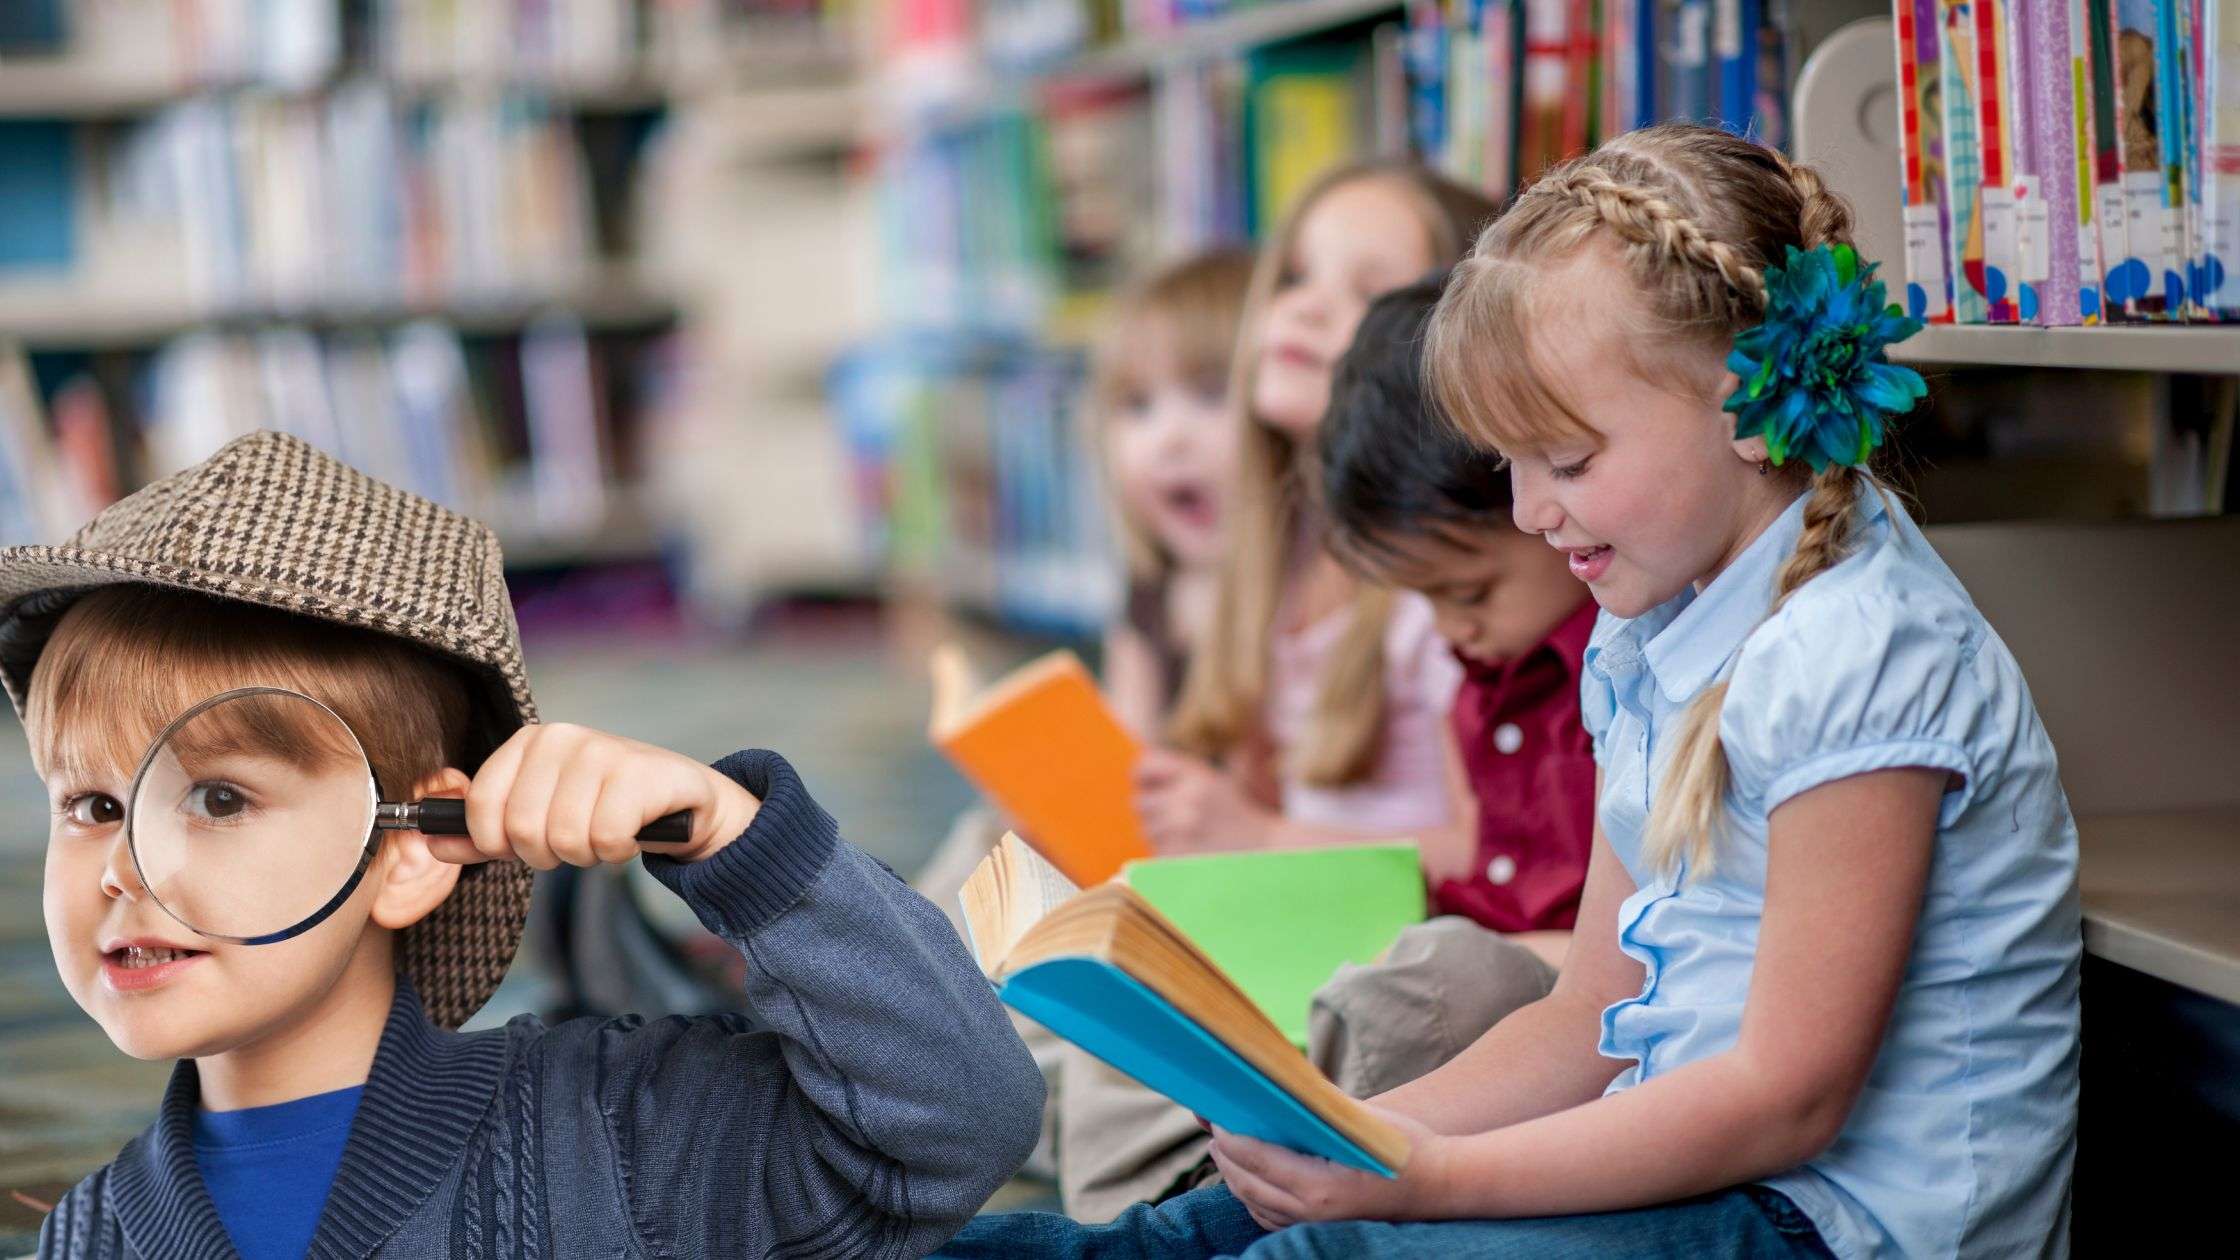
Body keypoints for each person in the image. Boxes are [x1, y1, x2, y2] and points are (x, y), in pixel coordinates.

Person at [943, 122, 2081, 1259]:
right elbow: (1585, 1015)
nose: (1532, 513)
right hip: (1698, 1165)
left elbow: (1786, 1099)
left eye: (1568, 463)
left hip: (1832, 1220)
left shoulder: (1862, 651)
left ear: (1743, 405)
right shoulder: (1646, 634)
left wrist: (1429, 1177)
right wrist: (1359, 1132)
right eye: (1509, 467)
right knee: (1183, 1231)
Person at [13, 431, 1043, 1259]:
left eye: (221, 798)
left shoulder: (628, 1131)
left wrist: (738, 843)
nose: (119, 868)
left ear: (409, 850)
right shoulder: (91, 1234)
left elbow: (956, 1123)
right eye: (92, 806)